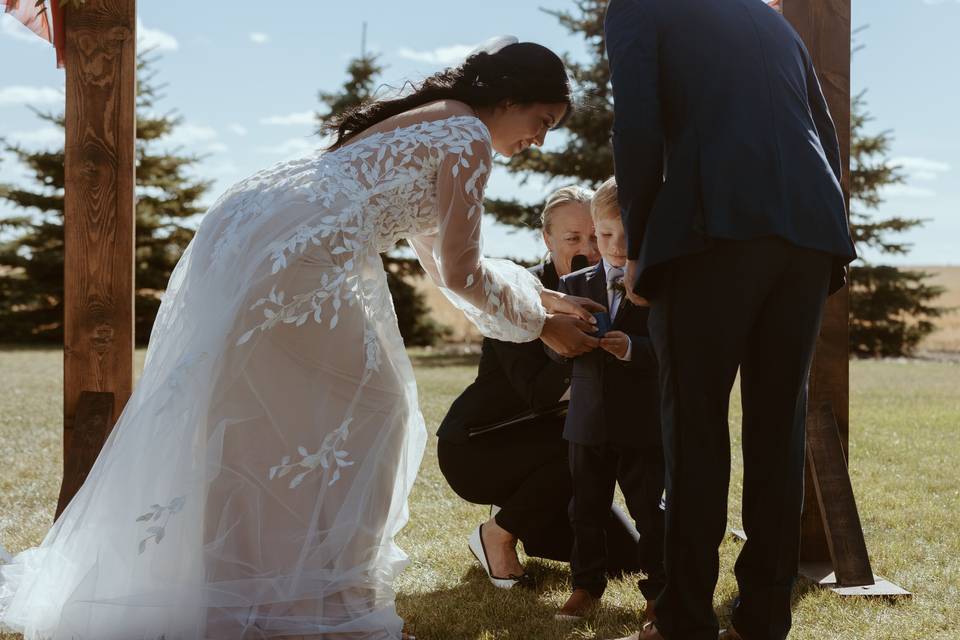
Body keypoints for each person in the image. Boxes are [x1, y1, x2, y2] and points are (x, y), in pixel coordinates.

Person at [0, 38, 604, 640]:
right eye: (541, 121)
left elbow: (443, 256)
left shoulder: (441, 119)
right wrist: (542, 327)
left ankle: (255, 591)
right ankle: (320, 602)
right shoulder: (467, 136)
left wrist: (546, 297)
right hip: (300, 252)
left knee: (261, 420)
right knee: (378, 412)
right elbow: (462, 273)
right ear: (510, 97)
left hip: (253, 224)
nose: (540, 140)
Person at [603, 2, 858, 639]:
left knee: (694, 432)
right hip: (808, 231)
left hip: (708, 227)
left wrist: (638, 243)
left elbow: (635, 123)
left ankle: (685, 620)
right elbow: (822, 135)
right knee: (778, 429)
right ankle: (764, 618)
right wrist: (827, 227)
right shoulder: (772, 21)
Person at [438, 186, 648, 588]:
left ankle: (527, 508)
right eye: (572, 239)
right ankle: (497, 534)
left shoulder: (619, 285)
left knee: (629, 557)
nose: (591, 248)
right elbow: (537, 394)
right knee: (582, 445)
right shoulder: (514, 296)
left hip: (556, 459)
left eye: (596, 236)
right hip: (480, 447)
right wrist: (578, 346)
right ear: (547, 240)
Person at [548, 178, 665, 622]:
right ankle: (585, 586)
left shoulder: (659, 286)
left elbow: (671, 350)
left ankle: (658, 591)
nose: (616, 245)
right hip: (588, 420)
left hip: (643, 423)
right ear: (595, 232)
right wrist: (565, 339)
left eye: (628, 234)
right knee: (586, 511)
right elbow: (550, 343)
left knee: (652, 514)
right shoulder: (572, 283)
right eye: (606, 235)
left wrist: (631, 348)